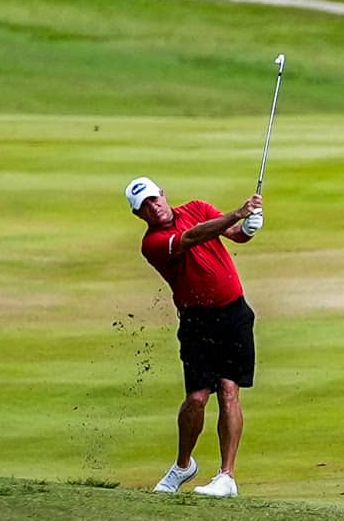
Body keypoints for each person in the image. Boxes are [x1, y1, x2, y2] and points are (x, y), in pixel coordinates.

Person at [124, 175, 264, 498]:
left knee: (230, 390)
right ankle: (184, 465)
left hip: (233, 314)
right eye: (144, 207)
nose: (152, 208)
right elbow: (192, 237)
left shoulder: (198, 207)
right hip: (196, 323)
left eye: (153, 199)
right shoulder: (152, 244)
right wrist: (236, 214)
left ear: (162, 194)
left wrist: (249, 225)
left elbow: (234, 235)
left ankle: (227, 477)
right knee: (197, 399)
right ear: (138, 216)